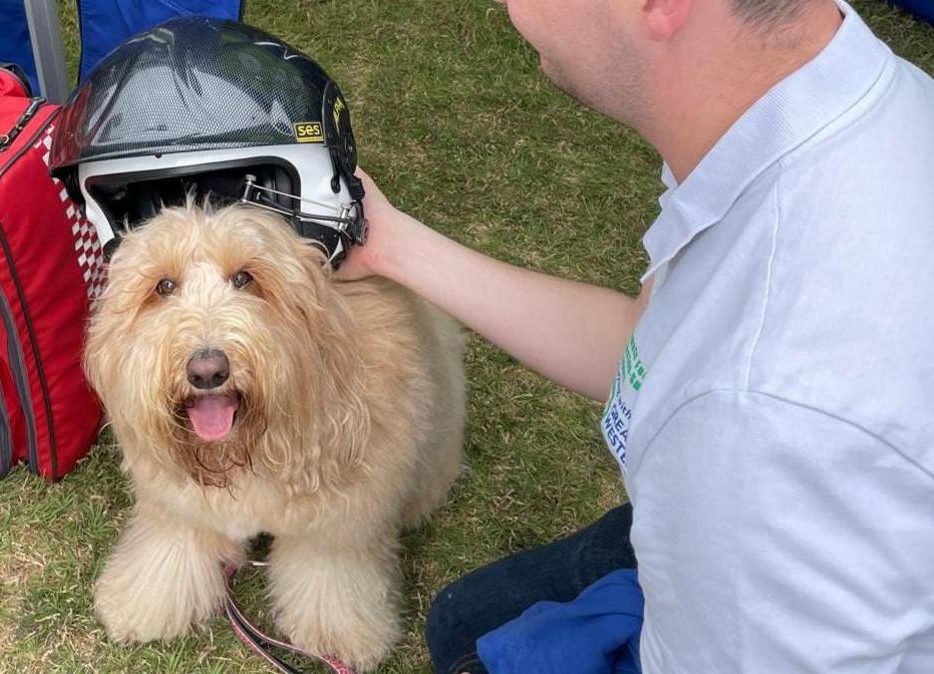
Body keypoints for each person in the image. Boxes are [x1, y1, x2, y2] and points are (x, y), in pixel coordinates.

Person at [335, 0, 934, 671]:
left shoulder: (758, 426)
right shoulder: (801, 95)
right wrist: (389, 247)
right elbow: (648, 345)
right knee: (464, 619)